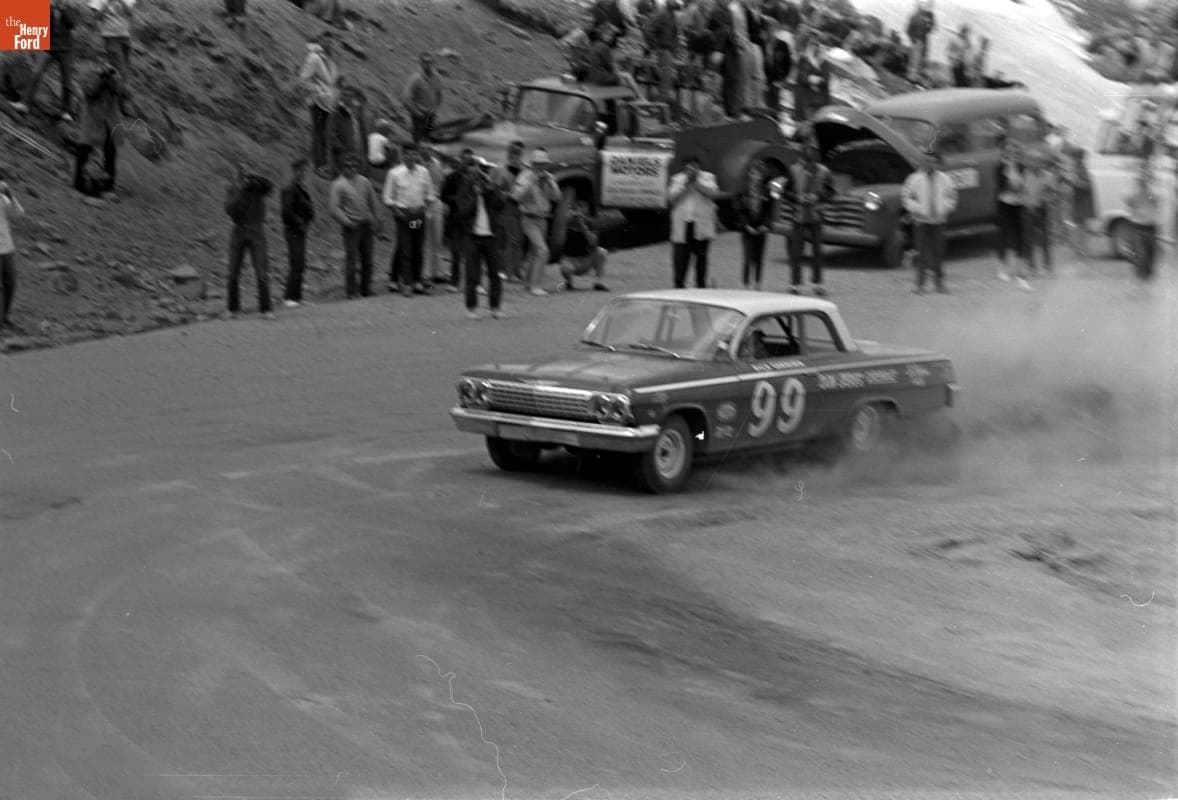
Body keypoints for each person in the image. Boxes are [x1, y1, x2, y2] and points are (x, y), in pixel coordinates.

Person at [10, 0, 80, 122]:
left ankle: (66, 111)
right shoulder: (48, 7)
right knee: (35, 72)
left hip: (66, 49)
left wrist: (63, 9)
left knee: (66, 80)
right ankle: (24, 104)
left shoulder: (70, 7)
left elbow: (73, 24)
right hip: (48, 47)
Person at [455, 159, 507, 319]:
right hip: (472, 236)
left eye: (480, 171)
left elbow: (501, 204)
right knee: (472, 274)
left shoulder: (489, 186)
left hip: (490, 236)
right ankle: (471, 308)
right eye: (473, 171)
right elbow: (463, 212)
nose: (477, 175)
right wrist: (475, 197)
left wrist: (489, 190)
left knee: (494, 274)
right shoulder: (464, 188)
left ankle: (495, 308)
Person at [382, 143, 436, 296]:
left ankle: (417, 280)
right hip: (403, 215)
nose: (411, 157)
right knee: (406, 248)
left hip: (418, 215)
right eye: (407, 154)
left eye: (414, 154)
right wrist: (397, 212)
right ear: (403, 155)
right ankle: (406, 282)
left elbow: (430, 194)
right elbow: (387, 197)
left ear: (417, 155)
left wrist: (424, 207)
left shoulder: (424, 172)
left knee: (417, 247)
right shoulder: (394, 173)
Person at [901, 153, 958, 294]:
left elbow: (952, 197)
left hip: (938, 221)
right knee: (921, 253)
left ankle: (939, 283)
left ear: (937, 163)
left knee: (938, 252)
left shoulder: (945, 179)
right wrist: (917, 208)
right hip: (921, 221)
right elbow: (906, 197)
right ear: (923, 163)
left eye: (933, 162)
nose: (930, 164)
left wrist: (945, 208)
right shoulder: (914, 179)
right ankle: (921, 285)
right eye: (928, 161)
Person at [224, 163, 275, 318]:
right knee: (233, 271)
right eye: (242, 173)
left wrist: (255, 177)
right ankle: (233, 309)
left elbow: (270, 186)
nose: (244, 175)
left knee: (261, 271)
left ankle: (266, 309)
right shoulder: (232, 189)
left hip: (256, 230)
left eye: (246, 172)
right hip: (238, 230)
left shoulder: (257, 187)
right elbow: (229, 209)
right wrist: (241, 191)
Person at [329, 152, 382, 298]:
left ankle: (366, 288)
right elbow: (334, 208)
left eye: (354, 166)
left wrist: (377, 219)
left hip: (366, 224)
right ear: (342, 167)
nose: (351, 169)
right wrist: (346, 221)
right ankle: (351, 291)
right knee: (351, 259)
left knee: (368, 259)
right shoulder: (338, 184)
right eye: (347, 166)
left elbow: (373, 201)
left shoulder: (364, 181)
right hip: (351, 225)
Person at [784, 139, 833, 294]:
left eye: (812, 153)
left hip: (816, 214)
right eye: (807, 153)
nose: (810, 156)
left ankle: (818, 284)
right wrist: (797, 198)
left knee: (817, 251)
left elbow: (831, 192)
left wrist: (818, 197)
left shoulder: (824, 172)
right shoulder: (793, 170)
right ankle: (795, 284)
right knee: (796, 251)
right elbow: (786, 192)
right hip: (798, 215)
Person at [511, 148, 562, 296]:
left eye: (543, 163)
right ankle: (535, 285)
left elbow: (557, 197)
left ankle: (528, 283)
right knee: (542, 250)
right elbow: (516, 196)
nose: (541, 167)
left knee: (533, 253)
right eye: (538, 164)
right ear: (532, 163)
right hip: (529, 218)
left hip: (543, 218)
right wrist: (531, 182)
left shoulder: (548, 177)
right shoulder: (525, 176)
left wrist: (550, 183)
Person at [74, 61, 124, 197]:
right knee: (84, 150)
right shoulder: (88, 73)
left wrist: (111, 77)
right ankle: (79, 183)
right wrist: (100, 78)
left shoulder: (115, 75)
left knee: (110, 152)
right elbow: (89, 91)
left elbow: (118, 89)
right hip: (92, 118)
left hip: (109, 120)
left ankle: (108, 186)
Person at [668, 155, 719, 288]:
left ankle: (700, 286)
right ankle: (679, 285)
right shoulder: (677, 179)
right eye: (689, 166)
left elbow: (712, 193)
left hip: (700, 225)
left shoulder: (708, 177)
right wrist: (685, 185)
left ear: (698, 166)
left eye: (694, 166)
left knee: (701, 259)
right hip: (684, 225)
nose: (692, 168)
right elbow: (672, 199)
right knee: (680, 259)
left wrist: (695, 183)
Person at [708, 0, 764, 117]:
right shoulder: (730, 10)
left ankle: (735, 110)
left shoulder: (735, 10)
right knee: (733, 80)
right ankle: (732, 111)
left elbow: (731, 31)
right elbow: (726, 31)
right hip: (729, 48)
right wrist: (724, 47)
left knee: (737, 80)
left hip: (734, 47)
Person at [298, 35, 340, 176]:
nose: (331, 44)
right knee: (319, 132)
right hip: (317, 102)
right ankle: (320, 165)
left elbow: (332, 83)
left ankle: (313, 162)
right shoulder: (314, 58)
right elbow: (303, 79)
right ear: (321, 42)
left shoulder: (331, 62)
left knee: (323, 132)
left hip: (328, 103)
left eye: (332, 41)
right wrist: (317, 90)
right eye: (327, 40)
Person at [995, 138, 1031, 289]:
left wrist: (1017, 184)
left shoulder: (1022, 167)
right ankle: (1003, 268)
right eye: (1010, 152)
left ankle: (1018, 268)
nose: (1013, 154)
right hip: (1005, 203)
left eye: (1015, 152)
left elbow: (1023, 186)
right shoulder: (1000, 167)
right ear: (1005, 153)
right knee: (1005, 236)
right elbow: (1005, 186)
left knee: (1020, 235)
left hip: (1019, 203)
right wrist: (1012, 176)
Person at [489, 140, 527, 282]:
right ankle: (509, 272)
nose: (516, 155)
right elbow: (494, 188)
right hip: (507, 207)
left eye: (519, 152)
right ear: (509, 153)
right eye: (514, 152)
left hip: (522, 208)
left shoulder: (524, 170)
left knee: (520, 240)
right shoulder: (500, 170)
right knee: (512, 240)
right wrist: (505, 194)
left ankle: (516, 269)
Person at [441, 148, 477, 294]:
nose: (466, 163)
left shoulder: (476, 178)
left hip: (472, 220)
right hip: (456, 218)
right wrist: (456, 200)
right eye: (464, 160)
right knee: (456, 252)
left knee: (472, 253)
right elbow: (443, 196)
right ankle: (454, 281)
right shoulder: (451, 177)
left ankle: (473, 282)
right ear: (459, 160)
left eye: (469, 161)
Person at [280, 157, 315, 307]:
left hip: (300, 230)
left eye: (305, 170)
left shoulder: (300, 188)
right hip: (293, 230)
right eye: (302, 170)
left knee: (300, 264)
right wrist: (299, 222)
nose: (304, 173)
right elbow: (286, 211)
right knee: (296, 263)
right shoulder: (289, 188)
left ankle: (297, 297)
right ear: (296, 170)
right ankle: (289, 297)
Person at [559, 202, 609, 292]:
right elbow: (559, 235)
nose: (578, 213)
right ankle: (569, 283)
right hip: (571, 261)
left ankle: (598, 283)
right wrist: (570, 219)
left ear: (585, 211)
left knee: (602, 252)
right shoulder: (567, 222)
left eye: (580, 209)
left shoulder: (589, 222)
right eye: (575, 210)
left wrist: (583, 226)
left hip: (586, 260)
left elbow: (593, 242)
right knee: (565, 268)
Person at [736, 172, 773, 290]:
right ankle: (745, 283)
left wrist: (766, 225)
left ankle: (758, 283)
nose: (757, 177)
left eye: (759, 174)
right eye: (754, 174)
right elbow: (739, 211)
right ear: (750, 176)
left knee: (759, 257)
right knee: (747, 257)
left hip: (761, 229)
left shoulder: (767, 192)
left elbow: (770, 211)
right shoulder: (743, 192)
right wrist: (746, 226)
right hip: (747, 229)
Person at [1021, 150, 1055, 276]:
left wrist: (1045, 199)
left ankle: (1047, 266)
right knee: (1029, 239)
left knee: (1045, 239)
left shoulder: (1048, 176)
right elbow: (1022, 192)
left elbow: (1052, 193)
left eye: (1038, 161)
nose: (1035, 163)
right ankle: (1031, 266)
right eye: (1032, 161)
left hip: (1042, 209)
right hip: (1028, 209)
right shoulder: (1025, 174)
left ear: (1042, 163)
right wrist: (1026, 204)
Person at [1125, 165, 1160, 287]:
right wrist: (1138, 188)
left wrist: (1148, 187)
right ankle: (1140, 284)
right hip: (1137, 226)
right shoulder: (1134, 190)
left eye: (1147, 176)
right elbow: (1128, 201)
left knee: (1151, 256)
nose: (1144, 179)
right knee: (1141, 255)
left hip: (1151, 226)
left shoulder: (1154, 189)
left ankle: (1146, 281)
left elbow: (1156, 199)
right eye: (1142, 176)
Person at [0, 176, 24, 331]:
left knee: (11, 283)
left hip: (7, 247)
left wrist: (10, 195)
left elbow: (18, 214)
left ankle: (5, 317)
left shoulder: (2, 197)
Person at [403, 51, 443, 144]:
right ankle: (417, 155)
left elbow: (438, 94)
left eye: (430, 62)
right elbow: (406, 98)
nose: (428, 64)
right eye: (425, 62)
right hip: (419, 115)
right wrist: (416, 112)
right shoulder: (415, 79)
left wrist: (436, 108)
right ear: (421, 63)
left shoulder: (437, 78)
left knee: (429, 138)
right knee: (418, 139)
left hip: (430, 115)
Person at [330, 82, 368, 177]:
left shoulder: (357, 116)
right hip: (344, 159)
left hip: (358, 158)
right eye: (345, 95)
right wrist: (343, 150)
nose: (348, 98)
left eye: (350, 96)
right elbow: (330, 135)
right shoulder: (336, 114)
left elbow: (363, 137)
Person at [91, 0, 135, 79]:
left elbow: (130, 14)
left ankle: (99, 88)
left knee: (124, 67)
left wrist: (122, 2)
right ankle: (121, 90)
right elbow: (96, 17)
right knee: (121, 70)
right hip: (110, 38)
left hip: (125, 37)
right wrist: (107, 3)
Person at [792, 35, 830, 122]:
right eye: (814, 44)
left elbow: (825, 81)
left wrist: (814, 80)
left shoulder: (825, 64)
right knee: (802, 122)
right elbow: (802, 77)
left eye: (819, 45)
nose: (817, 48)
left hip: (817, 103)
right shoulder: (804, 60)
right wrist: (811, 79)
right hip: (804, 100)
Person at [905, 0, 935, 84]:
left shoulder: (930, 15)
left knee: (922, 59)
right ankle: (911, 77)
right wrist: (913, 39)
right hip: (917, 39)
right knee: (915, 58)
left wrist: (929, 26)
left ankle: (915, 77)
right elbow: (908, 29)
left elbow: (932, 27)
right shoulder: (915, 16)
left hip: (924, 39)